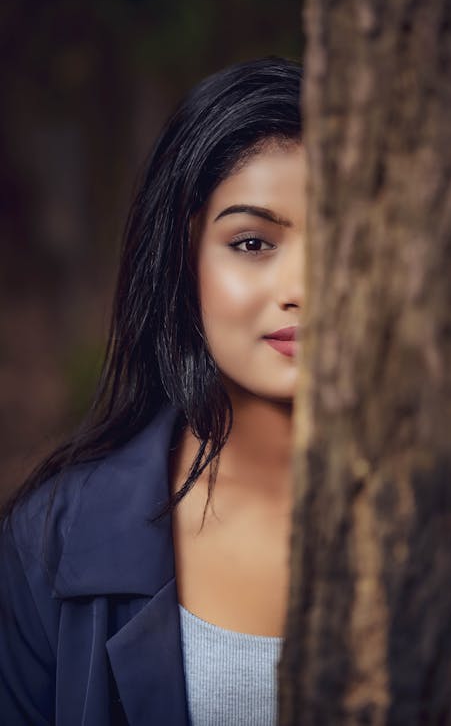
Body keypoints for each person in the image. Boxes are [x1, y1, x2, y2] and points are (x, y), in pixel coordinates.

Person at [0, 56, 305, 725]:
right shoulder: (50, 540)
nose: (303, 287)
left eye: (342, 243)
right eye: (253, 242)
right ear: (183, 256)